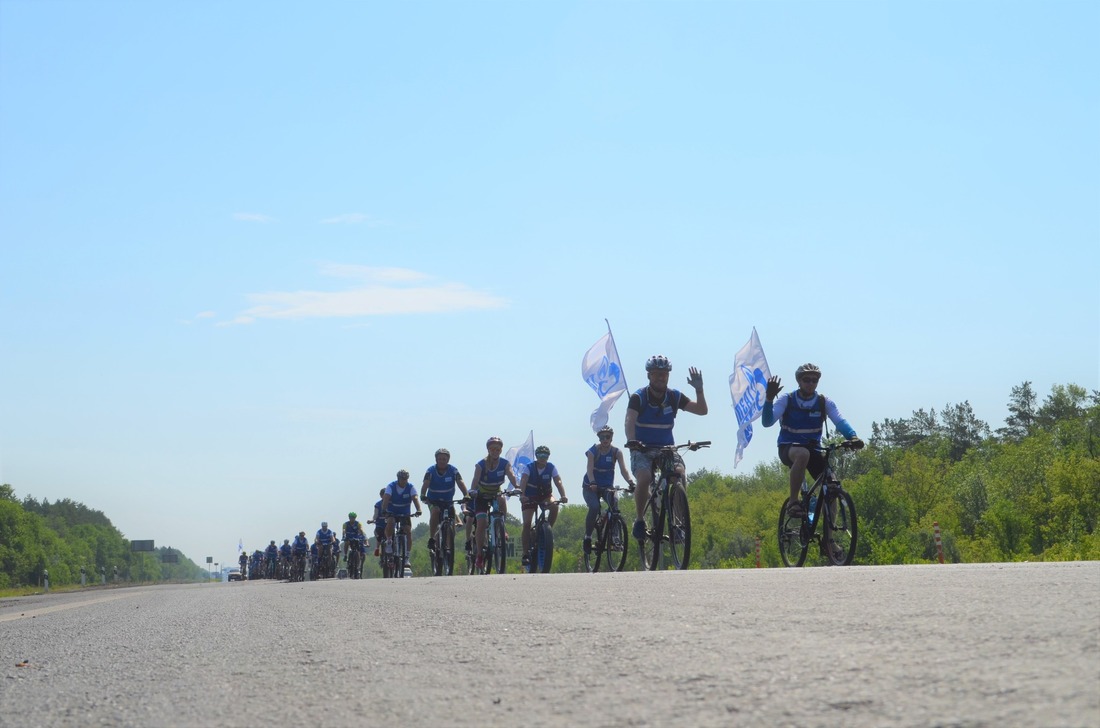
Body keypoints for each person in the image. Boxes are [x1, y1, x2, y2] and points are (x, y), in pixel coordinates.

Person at [761, 362, 863, 518]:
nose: (810, 383)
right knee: (802, 454)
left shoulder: (823, 402)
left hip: (813, 449)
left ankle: (829, 540)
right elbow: (767, 422)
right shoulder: (786, 399)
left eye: (814, 380)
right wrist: (768, 399)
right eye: (806, 380)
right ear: (799, 381)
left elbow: (839, 420)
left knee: (831, 486)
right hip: (789, 448)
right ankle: (793, 502)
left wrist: (852, 436)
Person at [624, 355, 707, 540]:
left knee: (679, 473)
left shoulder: (673, 396)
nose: (660, 377)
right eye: (656, 374)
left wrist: (699, 390)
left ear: (668, 376)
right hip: (642, 448)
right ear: (649, 376)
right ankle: (639, 520)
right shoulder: (639, 397)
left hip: (666, 448)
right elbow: (629, 420)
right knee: (644, 478)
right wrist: (632, 441)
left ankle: (678, 522)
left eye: (664, 374)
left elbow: (701, 410)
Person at [582, 425, 636, 554]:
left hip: (607, 487)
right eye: (602, 437)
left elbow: (624, 470)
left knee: (614, 504)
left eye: (608, 436)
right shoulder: (593, 451)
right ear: (599, 438)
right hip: (591, 487)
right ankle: (588, 537)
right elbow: (589, 470)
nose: (605, 439)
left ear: (611, 438)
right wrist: (593, 482)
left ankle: (615, 537)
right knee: (594, 507)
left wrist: (630, 482)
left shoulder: (616, 452)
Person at [471, 436, 519, 571]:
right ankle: (480, 555)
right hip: (482, 495)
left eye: (497, 449)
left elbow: (511, 474)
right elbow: (475, 479)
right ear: (488, 450)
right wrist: (472, 490)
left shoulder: (504, 463)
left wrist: (517, 486)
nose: (495, 451)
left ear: (501, 450)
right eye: (492, 449)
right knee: (481, 523)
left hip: (495, 492)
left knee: (502, 499)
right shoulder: (481, 464)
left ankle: (502, 528)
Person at [518, 445, 568, 566]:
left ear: (548, 457)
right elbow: (523, 481)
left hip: (545, 495)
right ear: (536, 456)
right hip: (530, 496)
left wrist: (563, 495)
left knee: (555, 506)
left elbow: (558, 481)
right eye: (540, 455)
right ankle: (525, 553)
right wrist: (522, 495)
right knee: (527, 523)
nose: (542, 458)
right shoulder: (529, 467)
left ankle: (546, 532)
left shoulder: (551, 467)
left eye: (545, 455)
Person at [420, 448, 469, 557]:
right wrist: (423, 495)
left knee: (451, 525)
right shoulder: (430, 471)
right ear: (436, 460)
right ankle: (432, 538)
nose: (442, 461)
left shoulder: (453, 470)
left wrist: (466, 494)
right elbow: (425, 484)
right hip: (433, 501)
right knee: (436, 511)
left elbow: (460, 482)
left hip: (448, 501)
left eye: (444, 459)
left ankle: (448, 544)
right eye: (440, 459)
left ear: (448, 460)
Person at [382, 470, 423, 570]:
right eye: (402, 479)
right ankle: (389, 541)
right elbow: (386, 498)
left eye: (405, 479)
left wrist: (418, 509)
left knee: (408, 531)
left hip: (405, 512)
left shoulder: (410, 487)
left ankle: (407, 557)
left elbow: (415, 498)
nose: (404, 481)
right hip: (392, 510)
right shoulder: (391, 486)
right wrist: (384, 510)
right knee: (391, 522)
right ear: (398, 478)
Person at [371, 488, 386, 556]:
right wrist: (373, 520)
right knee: (379, 535)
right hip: (380, 524)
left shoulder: (391, 503)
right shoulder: (378, 504)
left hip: (389, 524)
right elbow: (375, 514)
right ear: (381, 496)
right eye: (384, 495)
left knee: (392, 538)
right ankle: (377, 548)